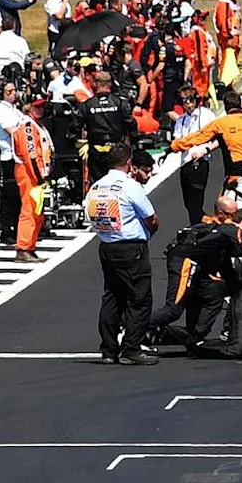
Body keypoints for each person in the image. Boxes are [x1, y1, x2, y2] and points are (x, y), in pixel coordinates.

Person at [85, 152, 163, 366]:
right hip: (130, 247)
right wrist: (149, 233)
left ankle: (109, 350)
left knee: (112, 297)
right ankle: (132, 348)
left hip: (107, 245)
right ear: (128, 163)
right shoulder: (129, 186)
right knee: (140, 298)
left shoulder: (96, 187)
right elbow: (151, 217)